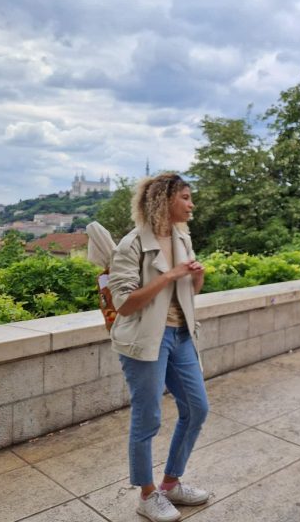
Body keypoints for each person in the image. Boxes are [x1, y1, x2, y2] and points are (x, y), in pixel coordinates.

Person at [108, 173, 209, 522]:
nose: (190, 204)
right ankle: (147, 494)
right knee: (147, 417)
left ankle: (170, 484)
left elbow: (190, 290)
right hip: (145, 339)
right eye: (185, 196)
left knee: (197, 408)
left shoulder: (182, 238)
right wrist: (169, 275)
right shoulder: (132, 244)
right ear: (164, 200)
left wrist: (196, 274)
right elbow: (123, 304)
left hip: (181, 335)